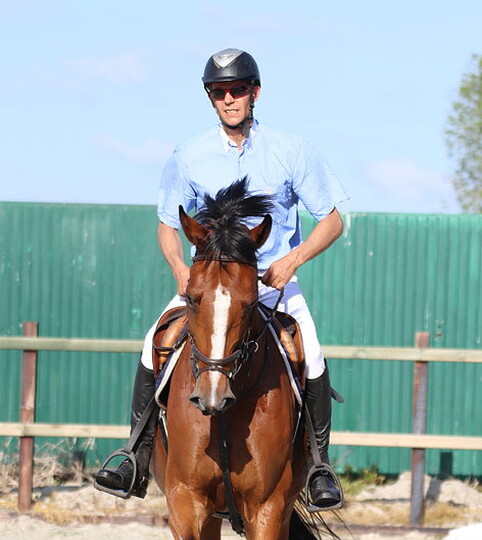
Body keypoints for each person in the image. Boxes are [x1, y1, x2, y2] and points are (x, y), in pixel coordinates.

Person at [95, 47, 348, 509]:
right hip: (208, 286)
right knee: (153, 342)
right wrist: (179, 269)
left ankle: (318, 467)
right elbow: (167, 225)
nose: (228, 99)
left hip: (270, 283)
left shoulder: (293, 151)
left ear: (255, 92)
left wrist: (292, 261)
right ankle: (135, 454)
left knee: (310, 353)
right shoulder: (189, 155)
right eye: (218, 92)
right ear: (210, 97)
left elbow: (332, 221)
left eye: (236, 90)